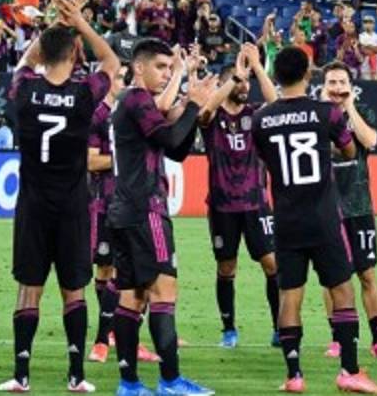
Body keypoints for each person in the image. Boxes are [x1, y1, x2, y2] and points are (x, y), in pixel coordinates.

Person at [0, 0, 120, 393]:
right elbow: (112, 63)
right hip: (72, 205)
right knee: (74, 290)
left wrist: (53, 25)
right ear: (75, 53)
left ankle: (21, 375)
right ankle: (76, 375)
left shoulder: (25, 90)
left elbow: (25, 61)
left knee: (28, 288)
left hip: (32, 205)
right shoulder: (84, 94)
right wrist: (79, 21)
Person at [252, 47, 377, 394]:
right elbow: (350, 151)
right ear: (308, 74)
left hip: (286, 219)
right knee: (342, 289)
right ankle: (349, 371)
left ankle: (294, 375)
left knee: (290, 295)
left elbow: (265, 158)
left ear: (277, 76)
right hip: (323, 217)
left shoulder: (261, 119)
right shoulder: (326, 113)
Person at [108, 39, 219, 396]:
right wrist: (193, 104)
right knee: (163, 291)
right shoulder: (137, 98)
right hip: (146, 210)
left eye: (169, 68)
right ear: (138, 67)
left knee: (132, 297)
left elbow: (178, 150)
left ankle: (129, 384)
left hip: (123, 210)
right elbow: (171, 140)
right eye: (160, 67)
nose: (165, 74)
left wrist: (191, 109)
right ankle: (170, 381)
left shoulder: (129, 102)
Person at [196, 43, 281, 349]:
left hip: (256, 203)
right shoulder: (212, 117)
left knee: (272, 264)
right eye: (239, 81)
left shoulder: (255, 114)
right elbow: (205, 111)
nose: (245, 86)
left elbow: (277, 105)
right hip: (222, 206)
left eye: (246, 82)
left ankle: (279, 328)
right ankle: (229, 329)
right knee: (226, 267)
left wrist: (256, 67)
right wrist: (234, 77)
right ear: (225, 83)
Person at [319, 63, 377, 359]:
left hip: (359, 206)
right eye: (331, 82)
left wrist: (350, 107)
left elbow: (371, 141)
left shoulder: (363, 111)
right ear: (323, 86)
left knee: (367, 274)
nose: (337, 88)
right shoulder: (316, 115)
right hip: (327, 208)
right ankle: (337, 339)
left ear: (351, 86)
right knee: (332, 277)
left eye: (342, 82)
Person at [89, 66, 160, 365]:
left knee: (131, 273)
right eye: (119, 77)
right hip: (107, 201)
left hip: (134, 202)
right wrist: (126, 155)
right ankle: (105, 338)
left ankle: (118, 336)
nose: (125, 82)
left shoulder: (137, 111)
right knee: (108, 271)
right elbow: (91, 161)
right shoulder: (98, 116)